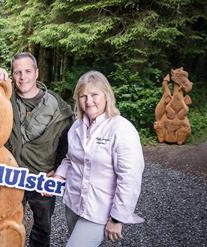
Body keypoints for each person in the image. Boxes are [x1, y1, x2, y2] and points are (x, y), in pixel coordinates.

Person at [0, 52, 74, 247]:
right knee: (4, 223)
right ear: (12, 74)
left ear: (36, 73)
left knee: (43, 226)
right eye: (17, 72)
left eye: (27, 71)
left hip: (42, 178)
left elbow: (68, 145)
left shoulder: (57, 106)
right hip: (10, 175)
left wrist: (58, 171)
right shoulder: (3, 95)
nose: (23, 77)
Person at [53, 70, 145, 246]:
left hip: (99, 210)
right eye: (83, 96)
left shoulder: (121, 129)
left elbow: (130, 177)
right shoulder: (76, 127)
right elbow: (69, 159)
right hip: (73, 204)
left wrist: (117, 218)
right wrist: (58, 177)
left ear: (106, 95)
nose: (89, 101)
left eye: (94, 94)